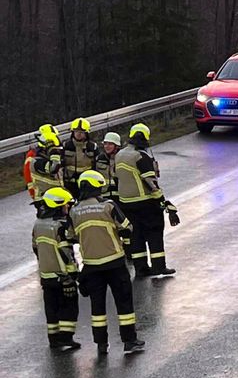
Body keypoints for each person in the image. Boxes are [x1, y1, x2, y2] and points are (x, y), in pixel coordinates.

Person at [69, 170, 144, 354]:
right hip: (114, 262)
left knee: (97, 307)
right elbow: (127, 227)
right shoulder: (108, 206)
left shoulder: (74, 211)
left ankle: (101, 344)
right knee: (124, 303)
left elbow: (71, 237)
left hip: (91, 265)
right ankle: (129, 340)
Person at [115, 123, 178, 277]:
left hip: (126, 203)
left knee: (136, 236)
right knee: (154, 233)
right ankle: (158, 266)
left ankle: (141, 268)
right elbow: (151, 183)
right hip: (145, 202)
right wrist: (163, 202)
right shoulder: (141, 156)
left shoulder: (120, 155)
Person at [32, 187, 81, 350]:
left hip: (46, 275)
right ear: (58, 205)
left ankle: (53, 339)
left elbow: (35, 248)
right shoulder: (60, 225)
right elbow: (66, 252)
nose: (67, 209)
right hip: (63, 275)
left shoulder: (38, 224)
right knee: (69, 305)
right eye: (66, 206)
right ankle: (66, 337)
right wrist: (72, 274)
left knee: (51, 307)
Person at [63, 117, 99, 195]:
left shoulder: (92, 147)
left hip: (87, 184)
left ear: (86, 133)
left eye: (82, 132)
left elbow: (96, 166)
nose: (78, 134)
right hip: (69, 184)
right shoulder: (66, 146)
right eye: (76, 131)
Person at [30, 124, 65, 202]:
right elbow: (53, 168)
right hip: (45, 200)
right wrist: (54, 153)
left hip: (59, 197)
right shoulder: (36, 161)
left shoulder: (54, 157)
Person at [95, 131, 122, 201]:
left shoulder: (123, 158)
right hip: (104, 196)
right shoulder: (99, 159)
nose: (107, 146)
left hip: (121, 196)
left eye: (110, 144)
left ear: (117, 146)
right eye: (105, 144)